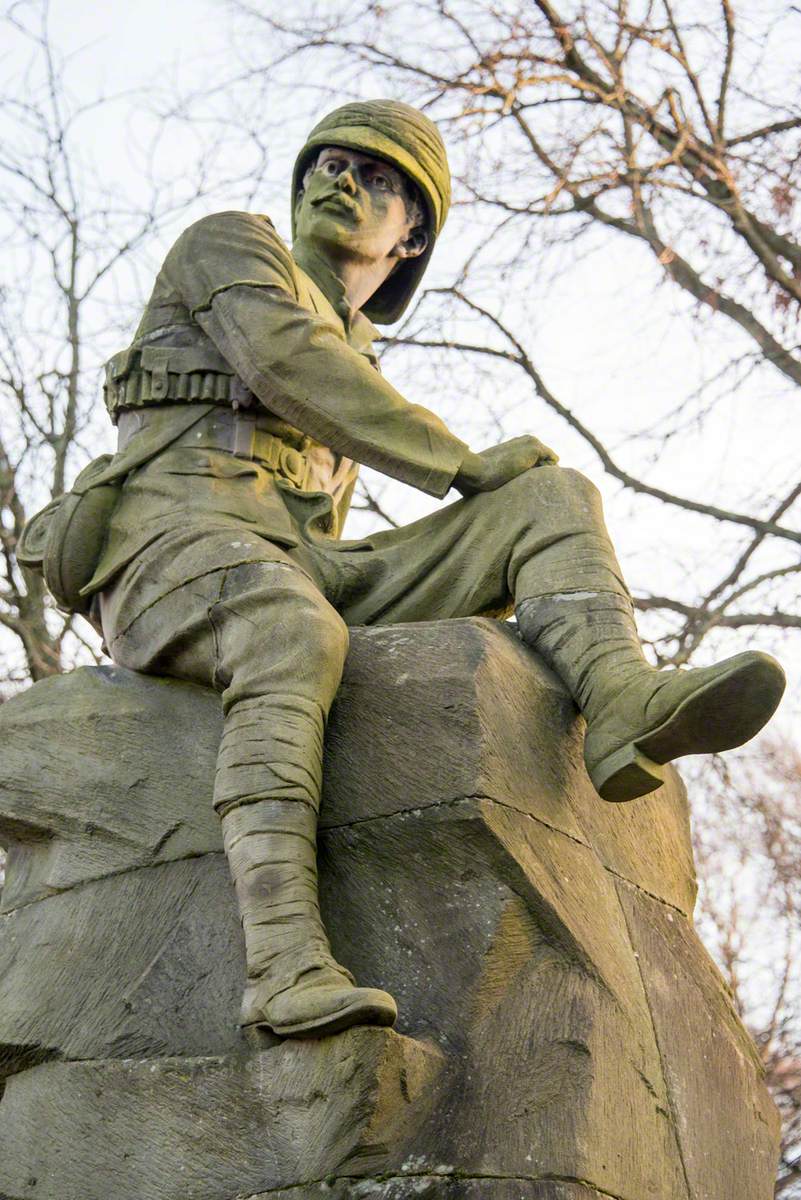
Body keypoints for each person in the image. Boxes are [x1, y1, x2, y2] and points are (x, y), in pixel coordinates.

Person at [83, 100, 784, 1039]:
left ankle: (619, 701)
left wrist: (477, 488)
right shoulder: (230, 247)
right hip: (170, 553)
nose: (338, 180)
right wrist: (457, 462)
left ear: (411, 237)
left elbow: (321, 430)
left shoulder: (355, 340)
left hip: (305, 564)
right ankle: (283, 965)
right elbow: (290, 364)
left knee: (550, 495)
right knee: (290, 628)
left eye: (374, 177)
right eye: (326, 164)